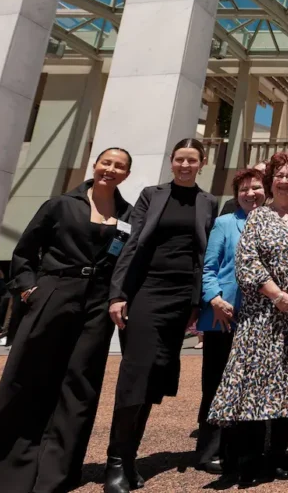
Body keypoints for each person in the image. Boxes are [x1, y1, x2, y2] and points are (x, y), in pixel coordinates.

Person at [0, 148, 133, 493]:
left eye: (119, 166)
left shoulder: (127, 215)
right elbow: (25, 251)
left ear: (126, 174)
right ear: (95, 165)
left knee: (80, 384)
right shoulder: (61, 205)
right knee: (27, 376)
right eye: (106, 163)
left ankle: (56, 474)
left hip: (97, 303)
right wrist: (28, 290)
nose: (111, 169)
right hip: (54, 293)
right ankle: (3, 466)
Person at [105, 138, 218, 493]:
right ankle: (115, 462)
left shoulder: (208, 201)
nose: (185, 165)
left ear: (202, 163)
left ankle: (131, 456)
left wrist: (199, 302)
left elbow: (206, 255)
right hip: (146, 292)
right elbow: (133, 243)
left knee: (155, 378)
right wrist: (118, 293)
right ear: (172, 162)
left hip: (182, 297)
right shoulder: (151, 195)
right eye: (180, 159)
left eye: (192, 160)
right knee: (134, 376)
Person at [208, 153, 288, 486]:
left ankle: (277, 455)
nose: (284, 181)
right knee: (256, 385)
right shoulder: (257, 216)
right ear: (271, 181)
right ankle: (251, 457)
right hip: (263, 317)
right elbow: (247, 263)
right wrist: (278, 296)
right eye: (278, 176)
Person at [195, 168, 267, 476]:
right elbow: (209, 267)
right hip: (224, 315)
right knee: (215, 383)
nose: (251, 193)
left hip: (261, 319)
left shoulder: (274, 223)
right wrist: (214, 299)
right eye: (244, 189)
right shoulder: (225, 223)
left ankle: (248, 450)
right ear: (236, 194)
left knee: (253, 385)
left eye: (257, 187)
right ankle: (210, 449)